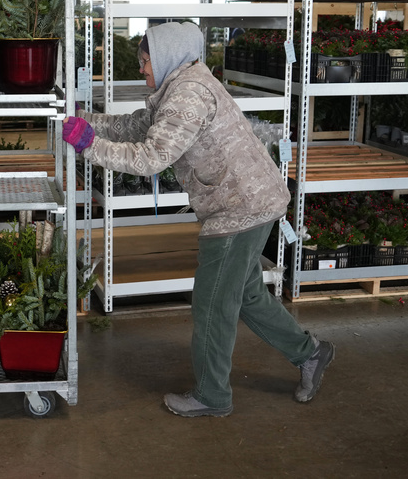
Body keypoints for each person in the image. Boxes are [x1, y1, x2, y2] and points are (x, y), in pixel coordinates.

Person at [62, 21, 334, 418]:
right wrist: (86, 120)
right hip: (252, 200)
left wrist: (89, 145)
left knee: (212, 305)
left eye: (144, 61)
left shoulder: (188, 94)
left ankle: (212, 395)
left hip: (239, 208)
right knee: (247, 295)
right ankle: (311, 353)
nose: (141, 69)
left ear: (167, 56)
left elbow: (151, 158)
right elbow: (134, 126)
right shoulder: (180, 86)